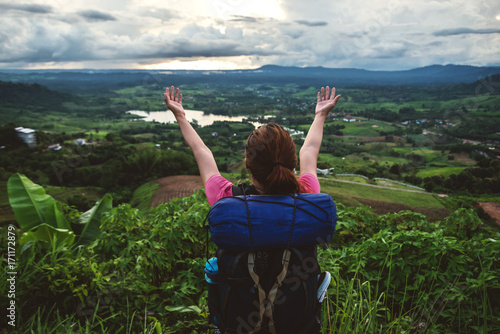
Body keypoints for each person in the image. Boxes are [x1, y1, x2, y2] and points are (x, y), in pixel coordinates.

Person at [163, 85, 341, 201]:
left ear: (247, 163)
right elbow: (309, 150)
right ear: (293, 163)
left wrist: (180, 117)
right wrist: (321, 115)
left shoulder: (224, 197)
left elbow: (201, 151)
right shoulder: (308, 193)